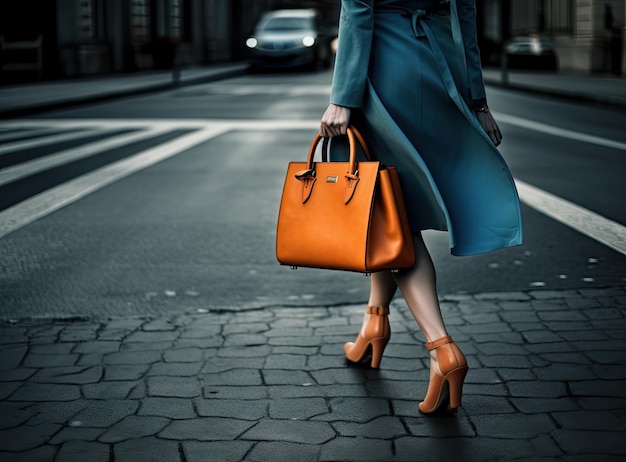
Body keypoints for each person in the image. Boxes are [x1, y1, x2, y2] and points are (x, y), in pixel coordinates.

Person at [319, 0, 523, 414]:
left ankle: (441, 349)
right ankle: (373, 324)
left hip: (382, 70)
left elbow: (357, 12)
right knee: (387, 207)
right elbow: (465, 19)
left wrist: (342, 97)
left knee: (388, 213)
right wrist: (477, 103)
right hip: (436, 67)